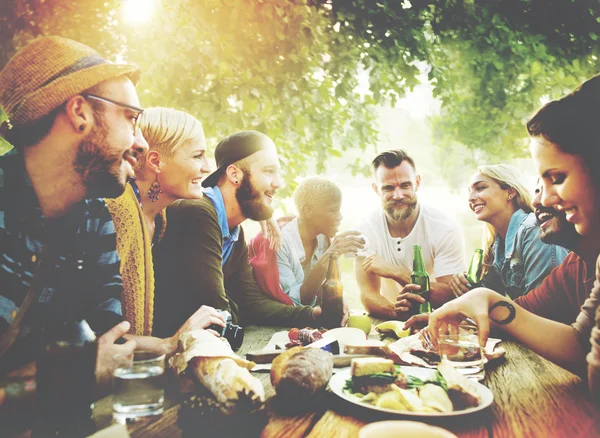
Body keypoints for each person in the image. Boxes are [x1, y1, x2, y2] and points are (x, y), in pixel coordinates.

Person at [426, 74, 600, 377]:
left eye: (557, 178)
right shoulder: (577, 265)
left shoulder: (532, 232)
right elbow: (577, 343)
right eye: (539, 184)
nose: (542, 199)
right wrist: (480, 302)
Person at [0, 36, 147, 377]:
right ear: (80, 112)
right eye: (130, 118)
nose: (141, 143)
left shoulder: (94, 215)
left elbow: (106, 339)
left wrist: (172, 346)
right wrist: (72, 377)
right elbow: (87, 364)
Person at [152, 130, 321, 337]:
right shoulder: (198, 213)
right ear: (234, 175)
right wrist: (232, 307)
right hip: (157, 352)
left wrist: (312, 315)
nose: (278, 183)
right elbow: (218, 311)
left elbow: (251, 303)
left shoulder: (235, 233)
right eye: (268, 171)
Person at [106, 107, 226, 346]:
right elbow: (100, 333)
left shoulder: (158, 219)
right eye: (197, 155)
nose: (207, 167)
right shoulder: (120, 210)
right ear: (156, 161)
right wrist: (170, 343)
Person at [354, 150, 466, 319]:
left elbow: (449, 296)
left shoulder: (445, 228)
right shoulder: (365, 229)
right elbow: (367, 293)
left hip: (439, 320)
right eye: (388, 188)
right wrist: (395, 311)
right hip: (391, 319)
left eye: (405, 185)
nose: (398, 195)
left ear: (417, 183)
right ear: (376, 189)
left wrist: (397, 273)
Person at [449, 165, 568, 299]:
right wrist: (463, 283)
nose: (470, 198)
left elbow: (542, 306)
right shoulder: (497, 245)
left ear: (510, 192)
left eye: (480, 188)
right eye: (470, 191)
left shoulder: (534, 230)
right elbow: (488, 299)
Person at [251, 177, 364, 307]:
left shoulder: (325, 239)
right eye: (334, 211)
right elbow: (295, 302)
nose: (340, 217)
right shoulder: (278, 242)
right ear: (307, 210)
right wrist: (328, 257)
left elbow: (330, 291)